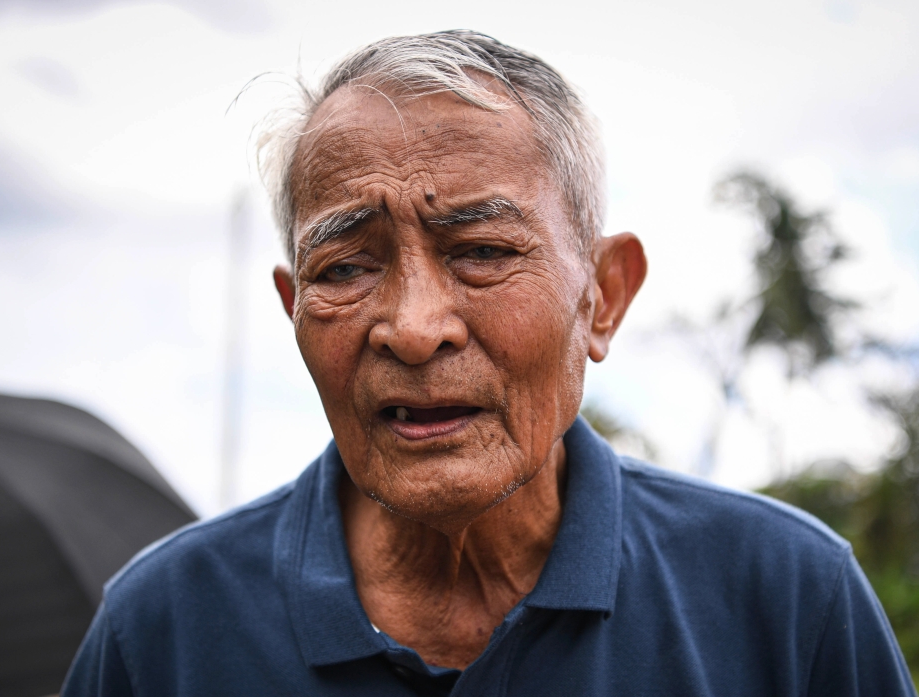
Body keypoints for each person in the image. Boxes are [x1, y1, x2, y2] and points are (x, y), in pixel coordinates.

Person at [63, 31, 915, 696]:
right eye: (347, 268)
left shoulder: (787, 600)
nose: (414, 327)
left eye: (480, 250)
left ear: (604, 296)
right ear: (295, 309)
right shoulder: (165, 632)